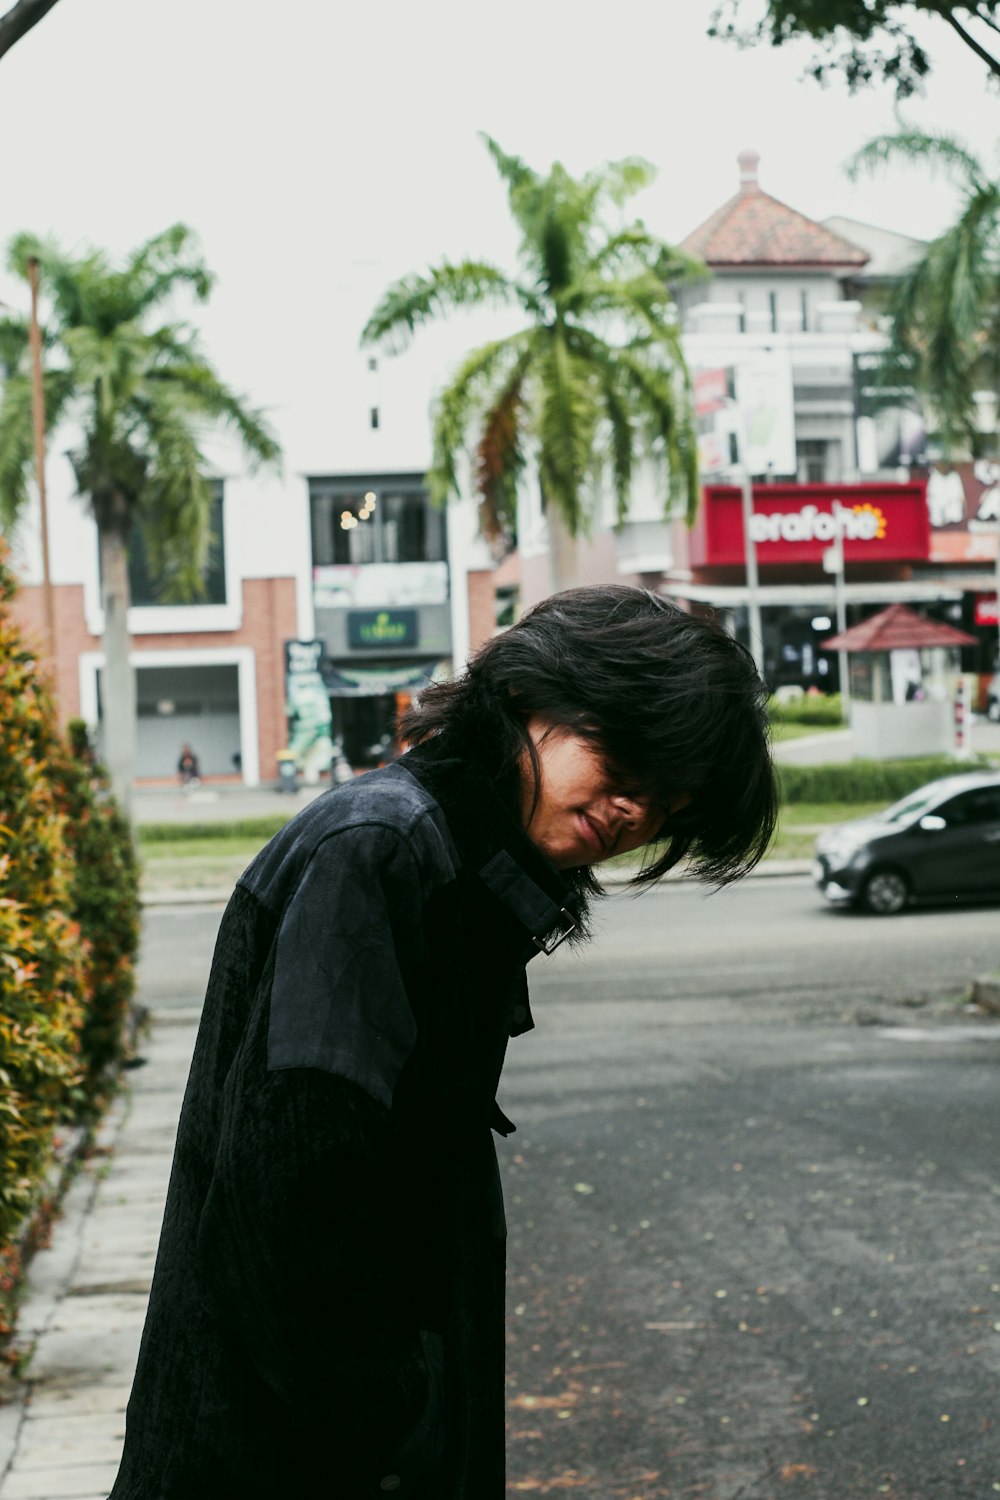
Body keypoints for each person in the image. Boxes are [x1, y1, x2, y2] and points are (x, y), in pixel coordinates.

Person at [108, 586, 777, 1500]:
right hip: (287, 1463)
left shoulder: (462, 868)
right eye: (623, 758)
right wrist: (397, 1421)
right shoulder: (384, 851)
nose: (632, 811)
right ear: (531, 697)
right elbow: (292, 1184)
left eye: (667, 801)